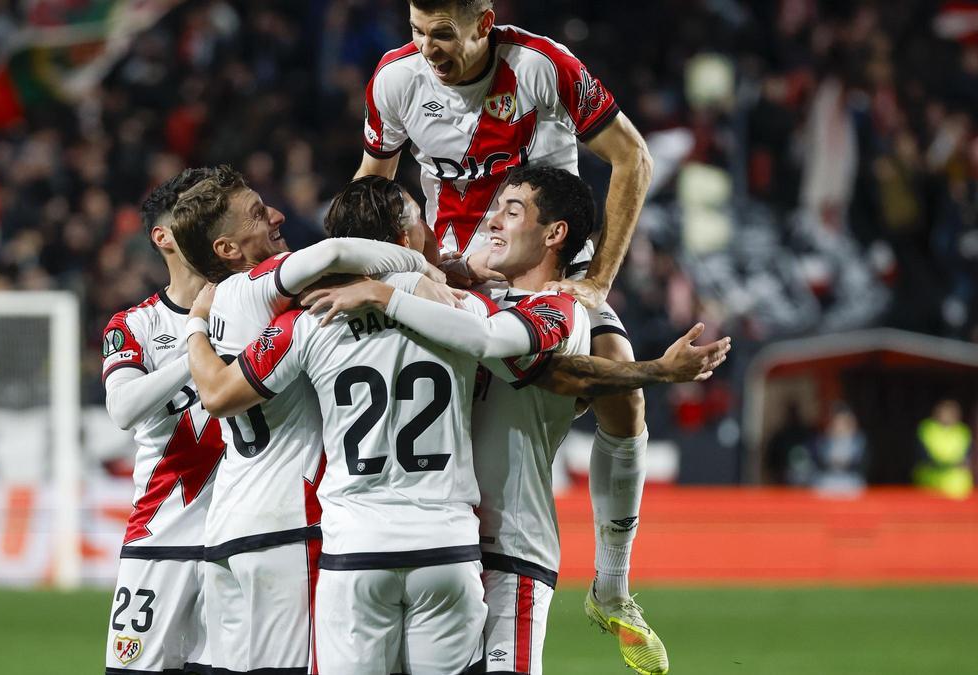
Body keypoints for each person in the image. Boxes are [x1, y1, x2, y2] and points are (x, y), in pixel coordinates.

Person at [184, 175, 729, 674]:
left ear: (554, 234)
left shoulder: (306, 317)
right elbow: (550, 370)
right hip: (451, 540)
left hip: (422, 544)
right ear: (406, 236)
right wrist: (656, 370)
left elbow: (219, 393)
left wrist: (197, 326)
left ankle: (613, 588)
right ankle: (612, 588)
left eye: (510, 210)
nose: (487, 222)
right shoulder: (471, 306)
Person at [354, 2, 664, 671]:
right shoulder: (394, 80)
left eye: (441, 33)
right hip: (451, 277)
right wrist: (354, 264)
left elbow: (631, 157)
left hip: (545, 279)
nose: (426, 47)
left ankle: (612, 586)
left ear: (484, 23)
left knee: (619, 382)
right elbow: (370, 187)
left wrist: (597, 283)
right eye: (415, 30)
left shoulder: (544, 68)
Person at [163, 165, 440, 673]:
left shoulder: (216, 305)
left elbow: (216, 392)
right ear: (227, 249)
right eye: (255, 212)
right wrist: (420, 264)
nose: (276, 214)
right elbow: (335, 253)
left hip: (229, 526)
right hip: (288, 524)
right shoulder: (258, 284)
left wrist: (194, 327)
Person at [99, 169, 226, 674]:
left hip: (237, 540)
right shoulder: (135, 325)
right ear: (164, 236)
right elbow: (123, 409)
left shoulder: (254, 308)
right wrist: (195, 348)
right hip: (161, 538)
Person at [914, 399, 973, 500]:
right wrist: (947, 464)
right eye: (945, 412)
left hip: (958, 490)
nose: (948, 416)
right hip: (930, 487)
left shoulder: (963, 432)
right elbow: (924, 457)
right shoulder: (927, 429)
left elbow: (967, 457)